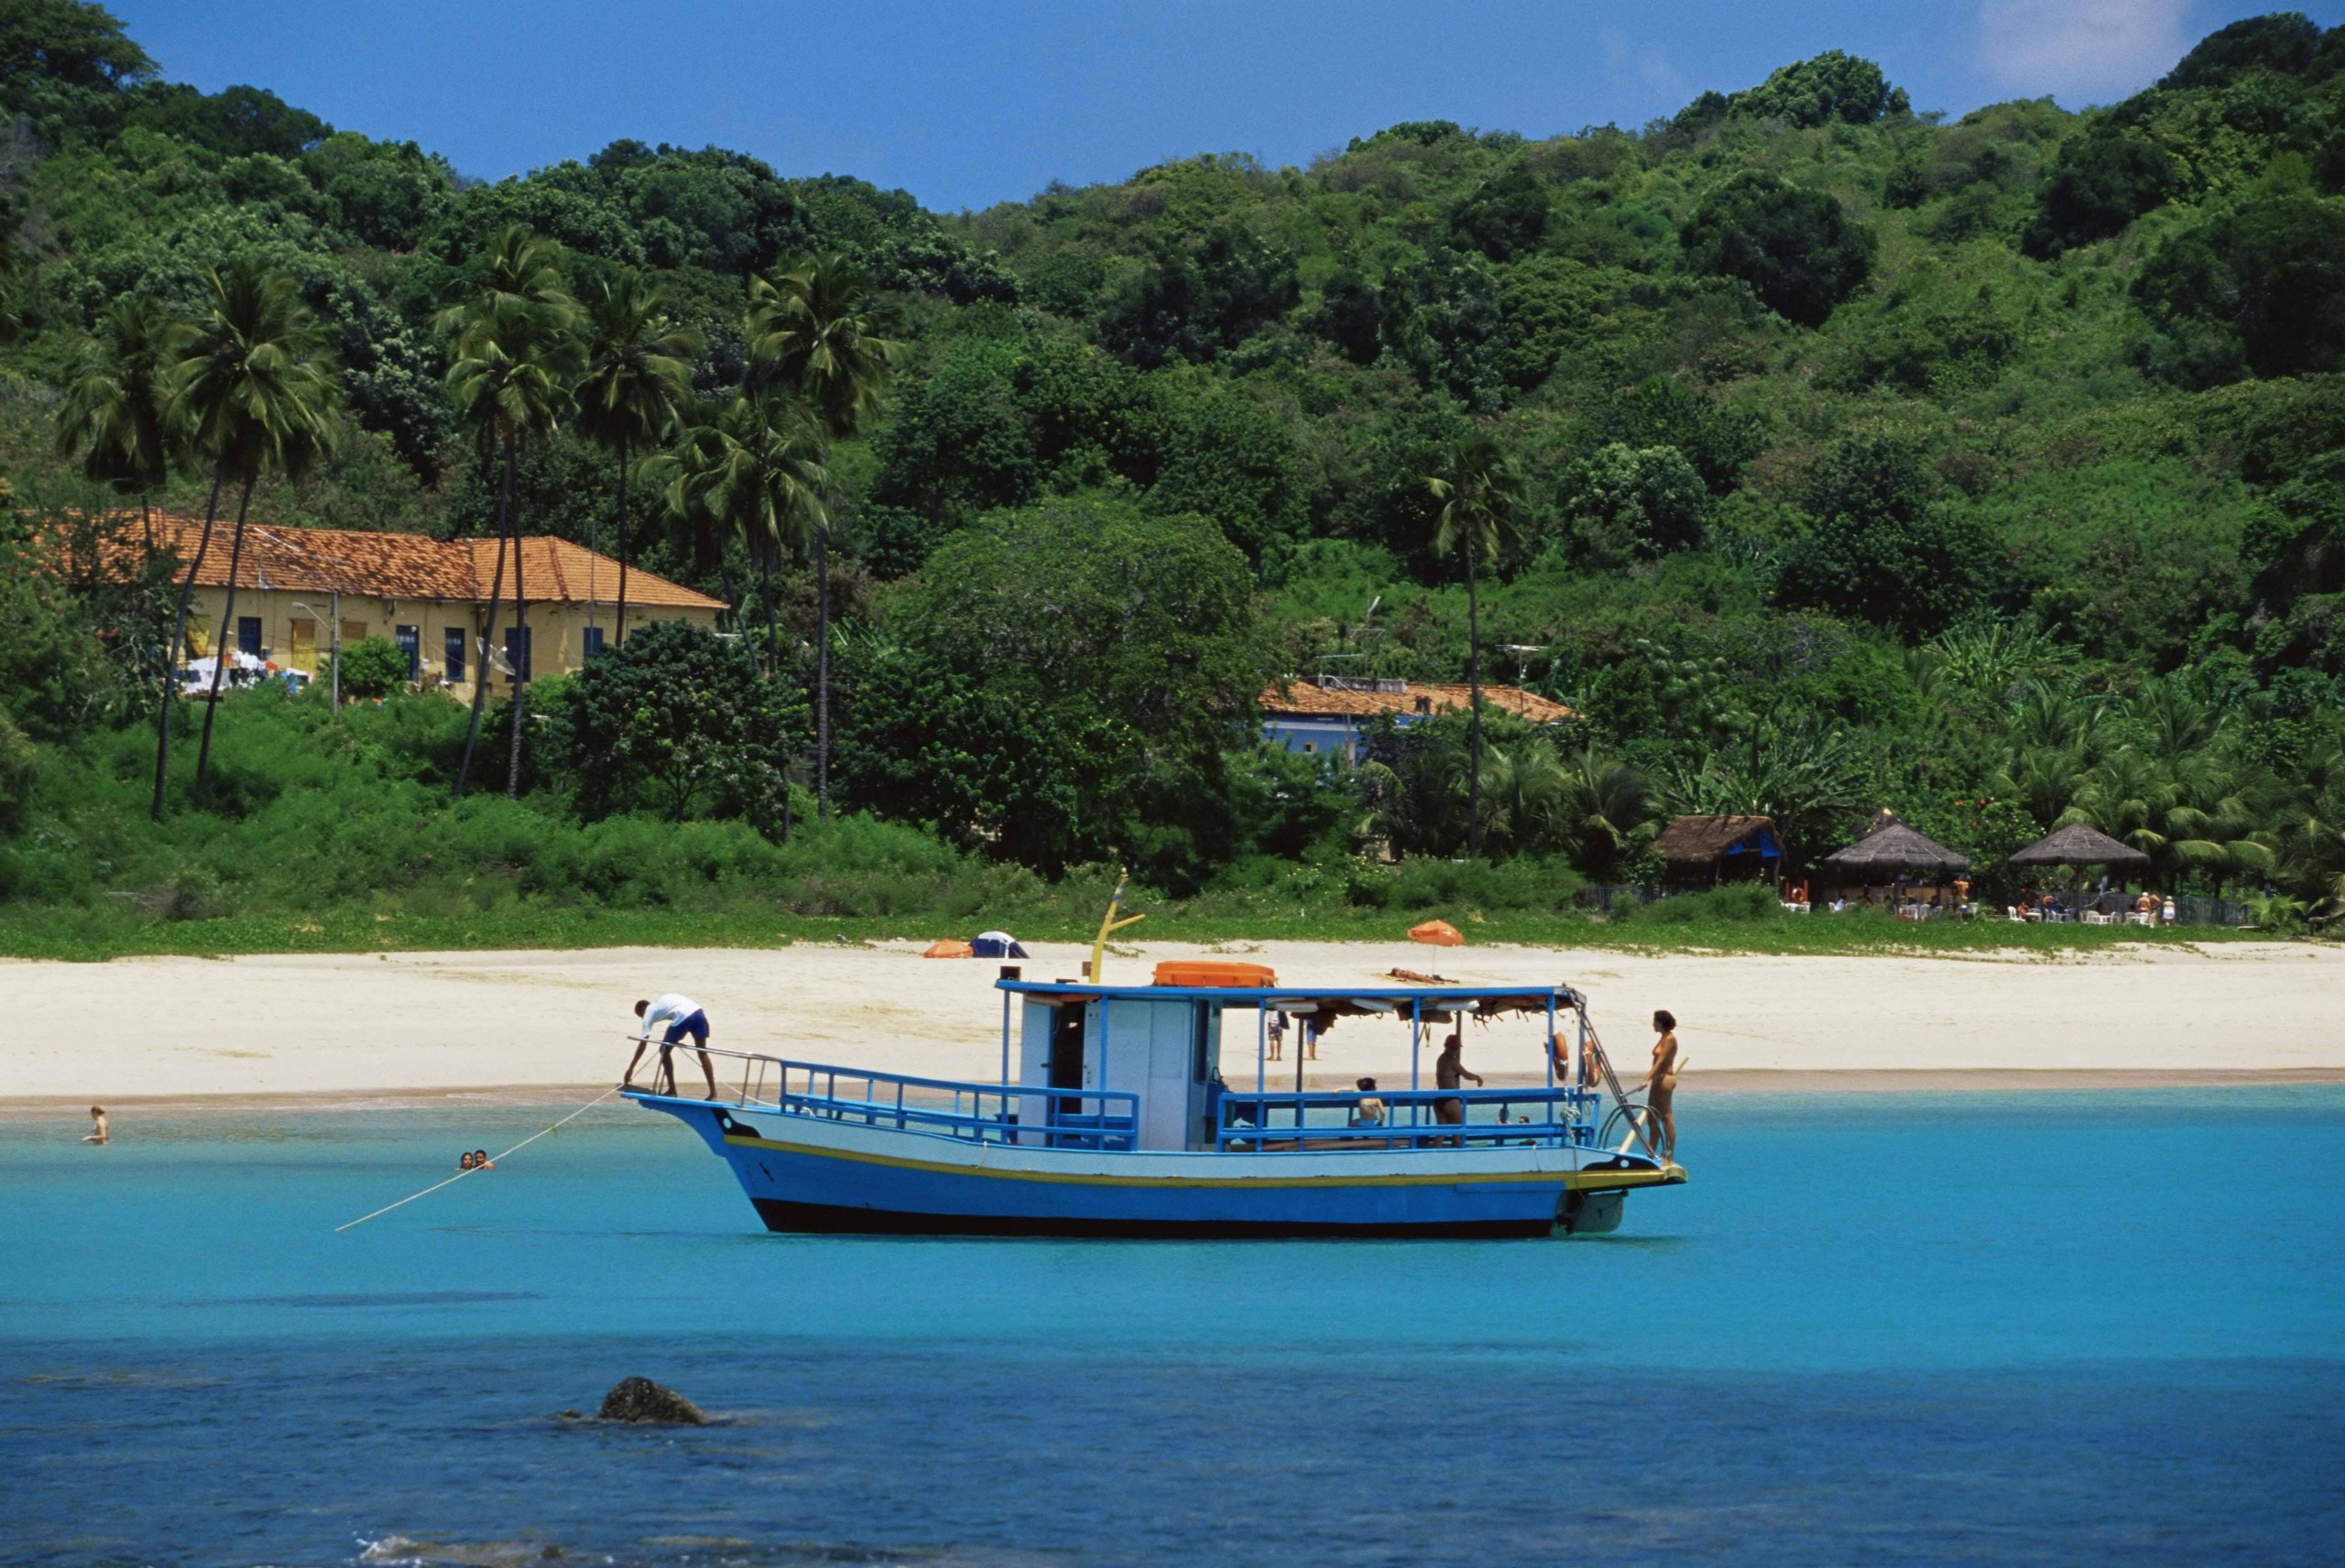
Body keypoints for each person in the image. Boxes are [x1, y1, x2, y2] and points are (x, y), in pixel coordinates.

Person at [628, 994, 719, 1097]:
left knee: (664, 1050)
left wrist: (631, 1069)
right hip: (699, 1012)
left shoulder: (649, 1011)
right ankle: (713, 1094)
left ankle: (672, 1090)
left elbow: (643, 1044)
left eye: (640, 1016)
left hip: (683, 1016)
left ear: (642, 1009)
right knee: (702, 1053)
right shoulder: (660, 1003)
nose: (642, 1019)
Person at [1635, 1010, 1681, 1167]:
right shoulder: (1662, 1038)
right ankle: (1651, 1154)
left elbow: (1661, 1062)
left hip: (1665, 1080)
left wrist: (1645, 1079)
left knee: (1666, 1116)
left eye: (1655, 1021)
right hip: (1657, 1080)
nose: (1653, 1024)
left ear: (1661, 1022)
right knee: (1652, 1118)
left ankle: (1669, 1155)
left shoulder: (1670, 1039)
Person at [1434, 1029, 1482, 1143]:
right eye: (1455, 1048)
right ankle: (1459, 1154)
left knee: (1441, 1131)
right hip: (1450, 1099)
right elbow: (1467, 1075)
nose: (1455, 1051)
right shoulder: (1452, 1061)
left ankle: (1435, 1152)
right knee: (1458, 1130)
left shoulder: (1441, 1058)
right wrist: (1477, 1078)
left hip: (1439, 1099)